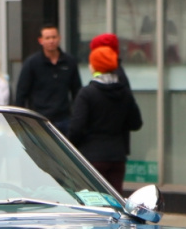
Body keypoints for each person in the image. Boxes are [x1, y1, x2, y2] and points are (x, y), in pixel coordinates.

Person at [68, 44, 142, 190]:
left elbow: (76, 128)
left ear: (94, 67)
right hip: (117, 157)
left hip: (92, 156)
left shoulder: (87, 93)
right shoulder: (124, 92)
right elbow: (136, 123)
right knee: (115, 198)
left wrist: (70, 146)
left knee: (94, 198)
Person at [14, 24, 81, 133]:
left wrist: (76, 117)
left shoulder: (69, 62)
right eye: (47, 38)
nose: (51, 41)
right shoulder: (32, 63)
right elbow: (21, 93)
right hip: (38, 119)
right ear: (40, 40)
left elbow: (76, 91)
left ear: (59, 38)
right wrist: (20, 120)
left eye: (54, 37)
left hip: (64, 119)